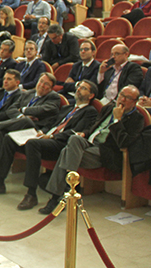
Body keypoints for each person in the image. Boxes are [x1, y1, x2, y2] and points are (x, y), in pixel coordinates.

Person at [0, 81, 99, 209]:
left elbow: (75, 132)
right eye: (78, 87)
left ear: (91, 95)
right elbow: (52, 123)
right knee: (9, 138)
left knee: (32, 144)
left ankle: (31, 194)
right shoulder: (67, 108)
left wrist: (52, 136)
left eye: (84, 88)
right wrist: (42, 132)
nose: (79, 89)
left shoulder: (90, 111)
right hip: (46, 138)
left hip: (60, 144)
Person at [38, 85, 144, 214]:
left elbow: (124, 143)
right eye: (121, 95)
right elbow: (94, 127)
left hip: (104, 152)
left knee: (66, 152)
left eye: (127, 98)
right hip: (88, 144)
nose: (122, 99)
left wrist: (117, 120)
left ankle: (58, 196)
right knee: (74, 139)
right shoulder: (109, 108)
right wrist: (84, 133)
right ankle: (68, 188)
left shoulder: (137, 119)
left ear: (134, 102)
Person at [0, 73, 63, 193]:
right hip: (19, 127)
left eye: (46, 84)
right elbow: (11, 109)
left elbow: (46, 109)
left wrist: (23, 110)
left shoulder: (54, 97)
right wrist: (21, 116)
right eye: (41, 81)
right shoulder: (28, 93)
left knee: (24, 121)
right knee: (1, 134)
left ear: (51, 88)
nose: (42, 85)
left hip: (36, 131)